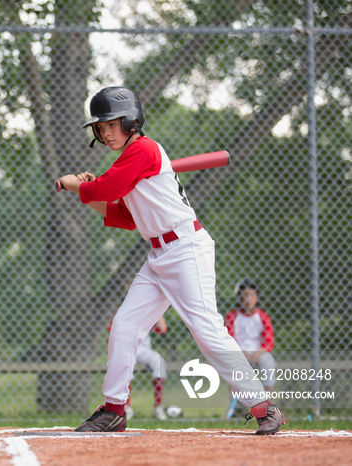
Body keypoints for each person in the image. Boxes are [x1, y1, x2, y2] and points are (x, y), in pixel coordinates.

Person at [57, 86, 285, 435]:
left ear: (132, 121)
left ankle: (262, 405)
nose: (104, 132)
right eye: (100, 128)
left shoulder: (144, 149)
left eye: (111, 124)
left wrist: (80, 186)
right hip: (158, 255)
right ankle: (115, 408)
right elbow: (124, 216)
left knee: (207, 331)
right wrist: (87, 192)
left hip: (186, 249)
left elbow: (105, 189)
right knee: (124, 326)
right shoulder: (126, 163)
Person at [224, 279, 276, 416]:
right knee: (235, 367)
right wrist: (241, 352)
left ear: (257, 297)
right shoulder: (232, 316)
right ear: (239, 297)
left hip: (258, 352)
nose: (248, 299)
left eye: (252, 295)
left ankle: (267, 404)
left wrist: (258, 353)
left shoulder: (262, 316)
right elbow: (228, 338)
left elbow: (269, 341)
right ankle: (238, 409)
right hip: (239, 352)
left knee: (268, 361)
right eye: (245, 295)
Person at [113, 316, 168, 421]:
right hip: (126, 348)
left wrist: (159, 312)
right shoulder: (122, 311)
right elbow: (112, 332)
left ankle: (158, 407)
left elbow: (162, 329)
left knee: (159, 362)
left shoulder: (148, 312)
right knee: (126, 366)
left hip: (143, 350)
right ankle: (126, 407)